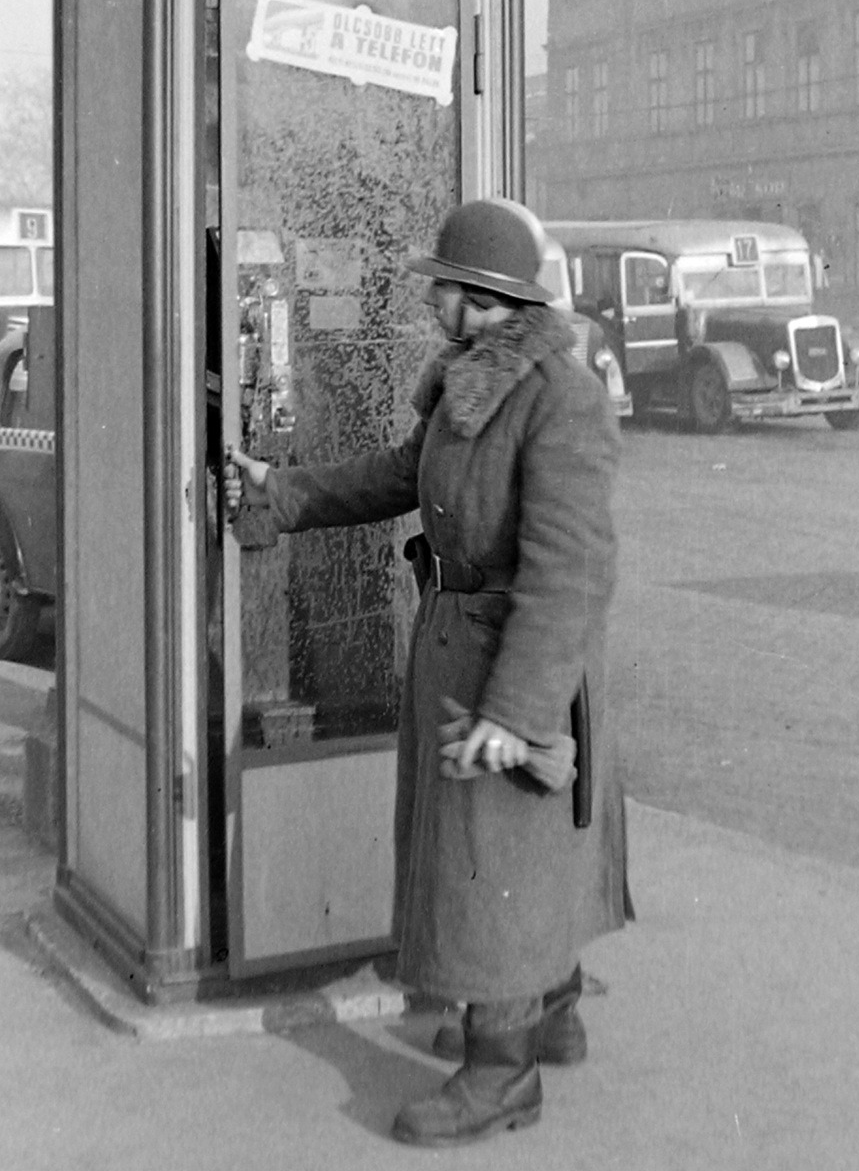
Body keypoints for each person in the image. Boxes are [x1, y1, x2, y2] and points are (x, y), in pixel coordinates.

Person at [225, 198, 629, 1148]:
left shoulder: (559, 398)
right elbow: (401, 475)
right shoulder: (468, 384)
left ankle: (502, 1074)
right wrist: (280, 493)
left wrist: (519, 712)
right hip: (460, 643)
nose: (431, 301)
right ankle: (550, 1008)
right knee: (513, 863)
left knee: (495, 862)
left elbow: (570, 573)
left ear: (487, 299)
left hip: (517, 661)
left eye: (443, 287)